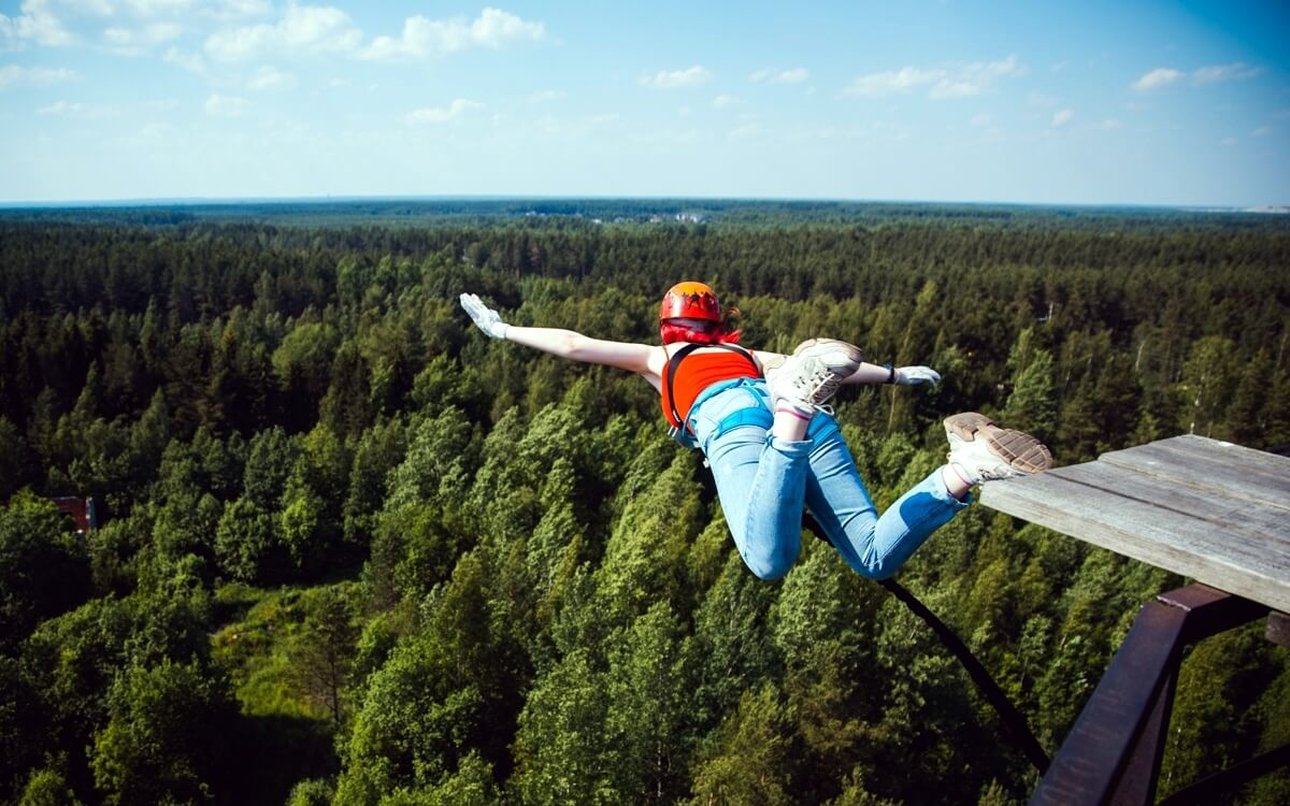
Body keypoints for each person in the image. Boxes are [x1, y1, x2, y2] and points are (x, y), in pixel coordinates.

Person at [459, 282, 1051, 582]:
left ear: (668, 327)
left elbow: (571, 344)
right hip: (812, 422)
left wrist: (504, 330)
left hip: (746, 425)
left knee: (769, 560)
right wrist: (897, 374)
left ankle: (791, 413)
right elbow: (831, 368)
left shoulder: (660, 359)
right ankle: (965, 468)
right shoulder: (740, 350)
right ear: (716, 324)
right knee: (871, 556)